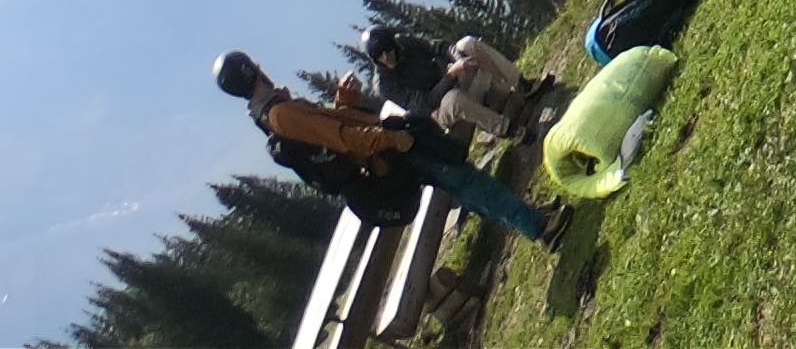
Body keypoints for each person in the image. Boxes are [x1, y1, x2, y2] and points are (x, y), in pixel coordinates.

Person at [214, 50, 560, 246]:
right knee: (464, 180)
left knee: (462, 182)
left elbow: (332, 130)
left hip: (383, 154)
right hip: (388, 152)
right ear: (251, 71)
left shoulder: (273, 114)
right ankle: (539, 226)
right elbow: (343, 138)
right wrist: (393, 139)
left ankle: (527, 218)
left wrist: (343, 101)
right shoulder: (282, 115)